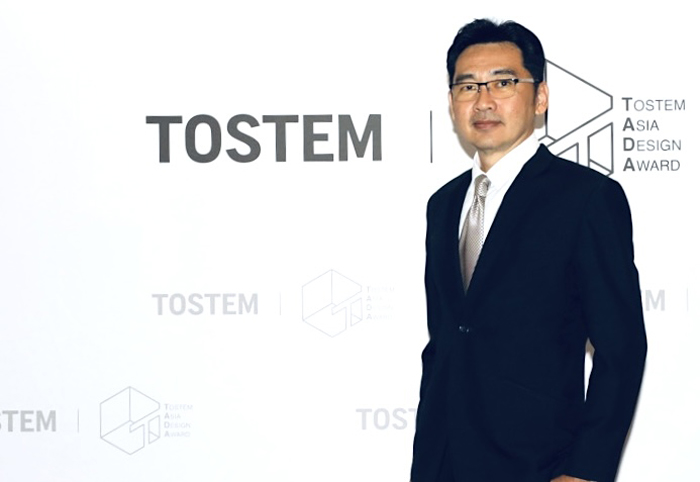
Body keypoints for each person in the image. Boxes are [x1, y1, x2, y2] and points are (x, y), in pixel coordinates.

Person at [410, 19, 647, 482]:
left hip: (540, 465)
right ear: (452, 102)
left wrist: (585, 470)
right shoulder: (442, 205)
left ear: (540, 97)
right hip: (443, 464)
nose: (483, 101)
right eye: (467, 86)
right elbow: (445, 343)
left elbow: (621, 348)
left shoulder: (586, 198)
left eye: (503, 83)